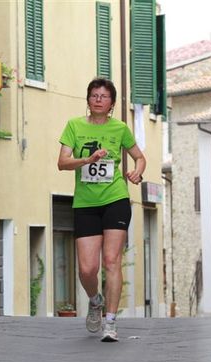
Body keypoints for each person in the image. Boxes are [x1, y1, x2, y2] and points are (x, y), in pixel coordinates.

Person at [57, 78, 146, 342]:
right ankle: (95, 300)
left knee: (111, 261)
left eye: (104, 96)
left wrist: (137, 172)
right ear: (87, 100)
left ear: (112, 103)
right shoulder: (74, 126)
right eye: (94, 95)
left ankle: (110, 322)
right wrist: (88, 159)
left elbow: (139, 156)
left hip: (115, 199)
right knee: (87, 269)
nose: (98, 99)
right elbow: (62, 162)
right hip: (85, 203)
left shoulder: (120, 129)